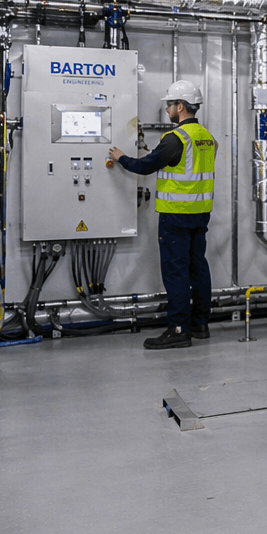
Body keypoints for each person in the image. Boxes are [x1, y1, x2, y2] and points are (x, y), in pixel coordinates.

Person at [109, 80, 217, 350]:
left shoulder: (175, 139)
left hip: (176, 215)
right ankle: (200, 323)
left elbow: (145, 166)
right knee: (197, 267)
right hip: (200, 212)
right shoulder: (207, 137)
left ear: (180, 107)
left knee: (176, 271)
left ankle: (178, 329)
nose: (167, 109)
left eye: (170, 104)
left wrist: (121, 157)